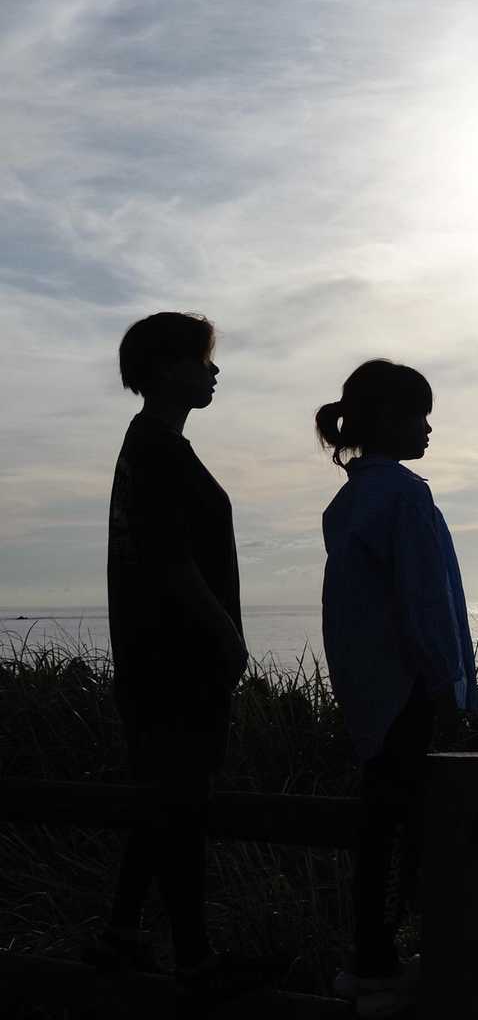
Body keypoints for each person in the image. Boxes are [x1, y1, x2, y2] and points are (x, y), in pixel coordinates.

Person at [85, 312, 268, 1007]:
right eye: (201, 360)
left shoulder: (151, 447)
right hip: (174, 664)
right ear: (167, 369)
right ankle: (193, 959)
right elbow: (171, 561)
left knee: (164, 800)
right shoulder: (157, 452)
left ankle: (123, 931)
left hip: (161, 662)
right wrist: (227, 635)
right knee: (182, 805)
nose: (213, 371)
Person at [316, 358, 478, 1006]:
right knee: (402, 824)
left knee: (378, 822)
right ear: (389, 418)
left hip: (367, 690)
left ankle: (370, 955)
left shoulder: (349, 500)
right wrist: (448, 683)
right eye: (420, 415)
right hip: (406, 689)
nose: (429, 428)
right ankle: (381, 965)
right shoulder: (405, 495)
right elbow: (425, 601)